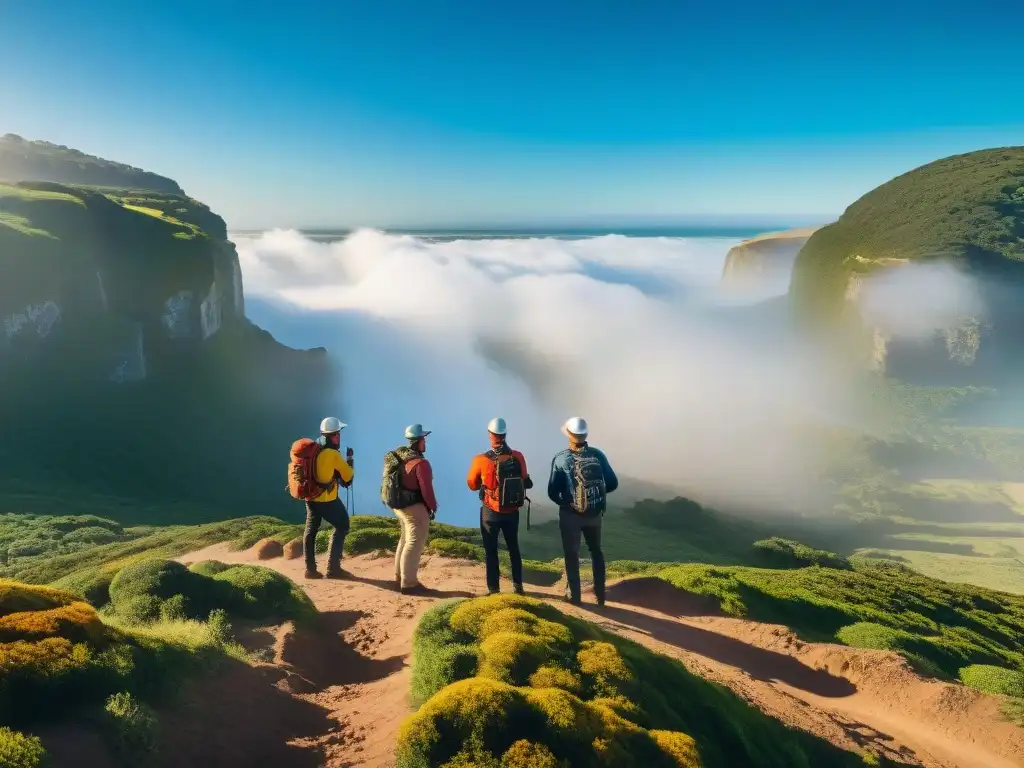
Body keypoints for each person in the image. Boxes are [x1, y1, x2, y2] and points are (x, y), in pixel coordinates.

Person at [547, 417, 618, 606]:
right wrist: (596, 496)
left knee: (572, 554)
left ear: (569, 434)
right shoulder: (598, 455)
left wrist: (566, 503)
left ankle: (575, 597)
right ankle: (600, 595)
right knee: (596, 551)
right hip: (594, 514)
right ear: (585, 435)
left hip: (571, 515)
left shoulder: (561, 458)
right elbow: (613, 483)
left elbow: (552, 491)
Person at [466, 417, 533, 596]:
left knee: (491, 550)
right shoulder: (517, 456)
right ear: (504, 434)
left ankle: (494, 589)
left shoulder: (480, 459)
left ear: (490, 435)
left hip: (491, 510)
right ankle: (518, 587)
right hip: (512, 511)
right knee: (514, 548)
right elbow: (525, 479)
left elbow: (472, 484)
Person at [384, 424, 438, 596]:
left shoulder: (400, 456)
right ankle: (409, 583)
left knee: (405, 539)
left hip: (398, 506)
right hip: (413, 507)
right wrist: (432, 507)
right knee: (414, 543)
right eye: (424, 439)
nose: (425, 443)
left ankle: (399, 576)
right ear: (418, 442)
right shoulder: (421, 463)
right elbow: (426, 491)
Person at [304, 417, 355, 580]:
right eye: (337, 435)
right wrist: (350, 461)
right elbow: (348, 478)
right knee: (343, 525)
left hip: (310, 497)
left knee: (311, 531)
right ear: (331, 436)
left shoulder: (313, 449)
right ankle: (333, 568)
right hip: (327, 499)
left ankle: (310, 570)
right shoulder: (333, 454)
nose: (339, 438)